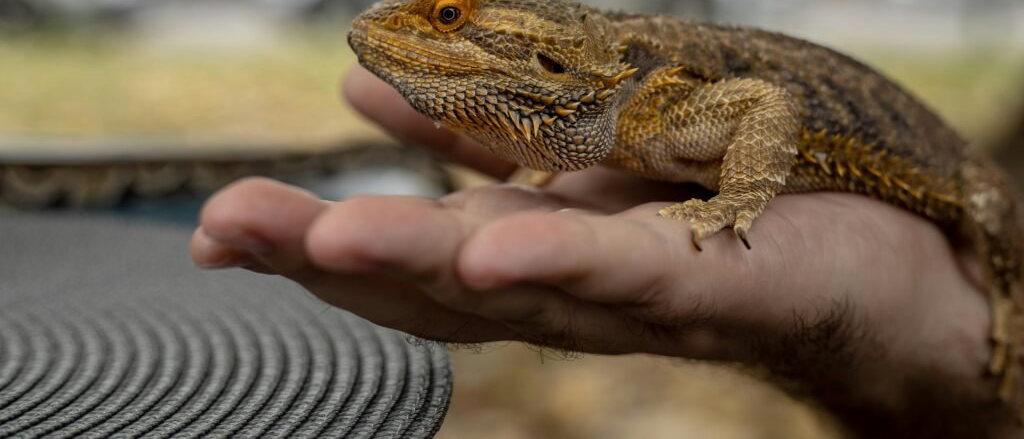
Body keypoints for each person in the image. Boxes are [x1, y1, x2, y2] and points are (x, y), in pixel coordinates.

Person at [191, 67, 1019, 437]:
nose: (429, 36)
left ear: (553, 56)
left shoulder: (659, 107)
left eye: (452, 21)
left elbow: (765, 99)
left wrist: (740, 198)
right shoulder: (616, 112)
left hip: (945, 183)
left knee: (988, 202)